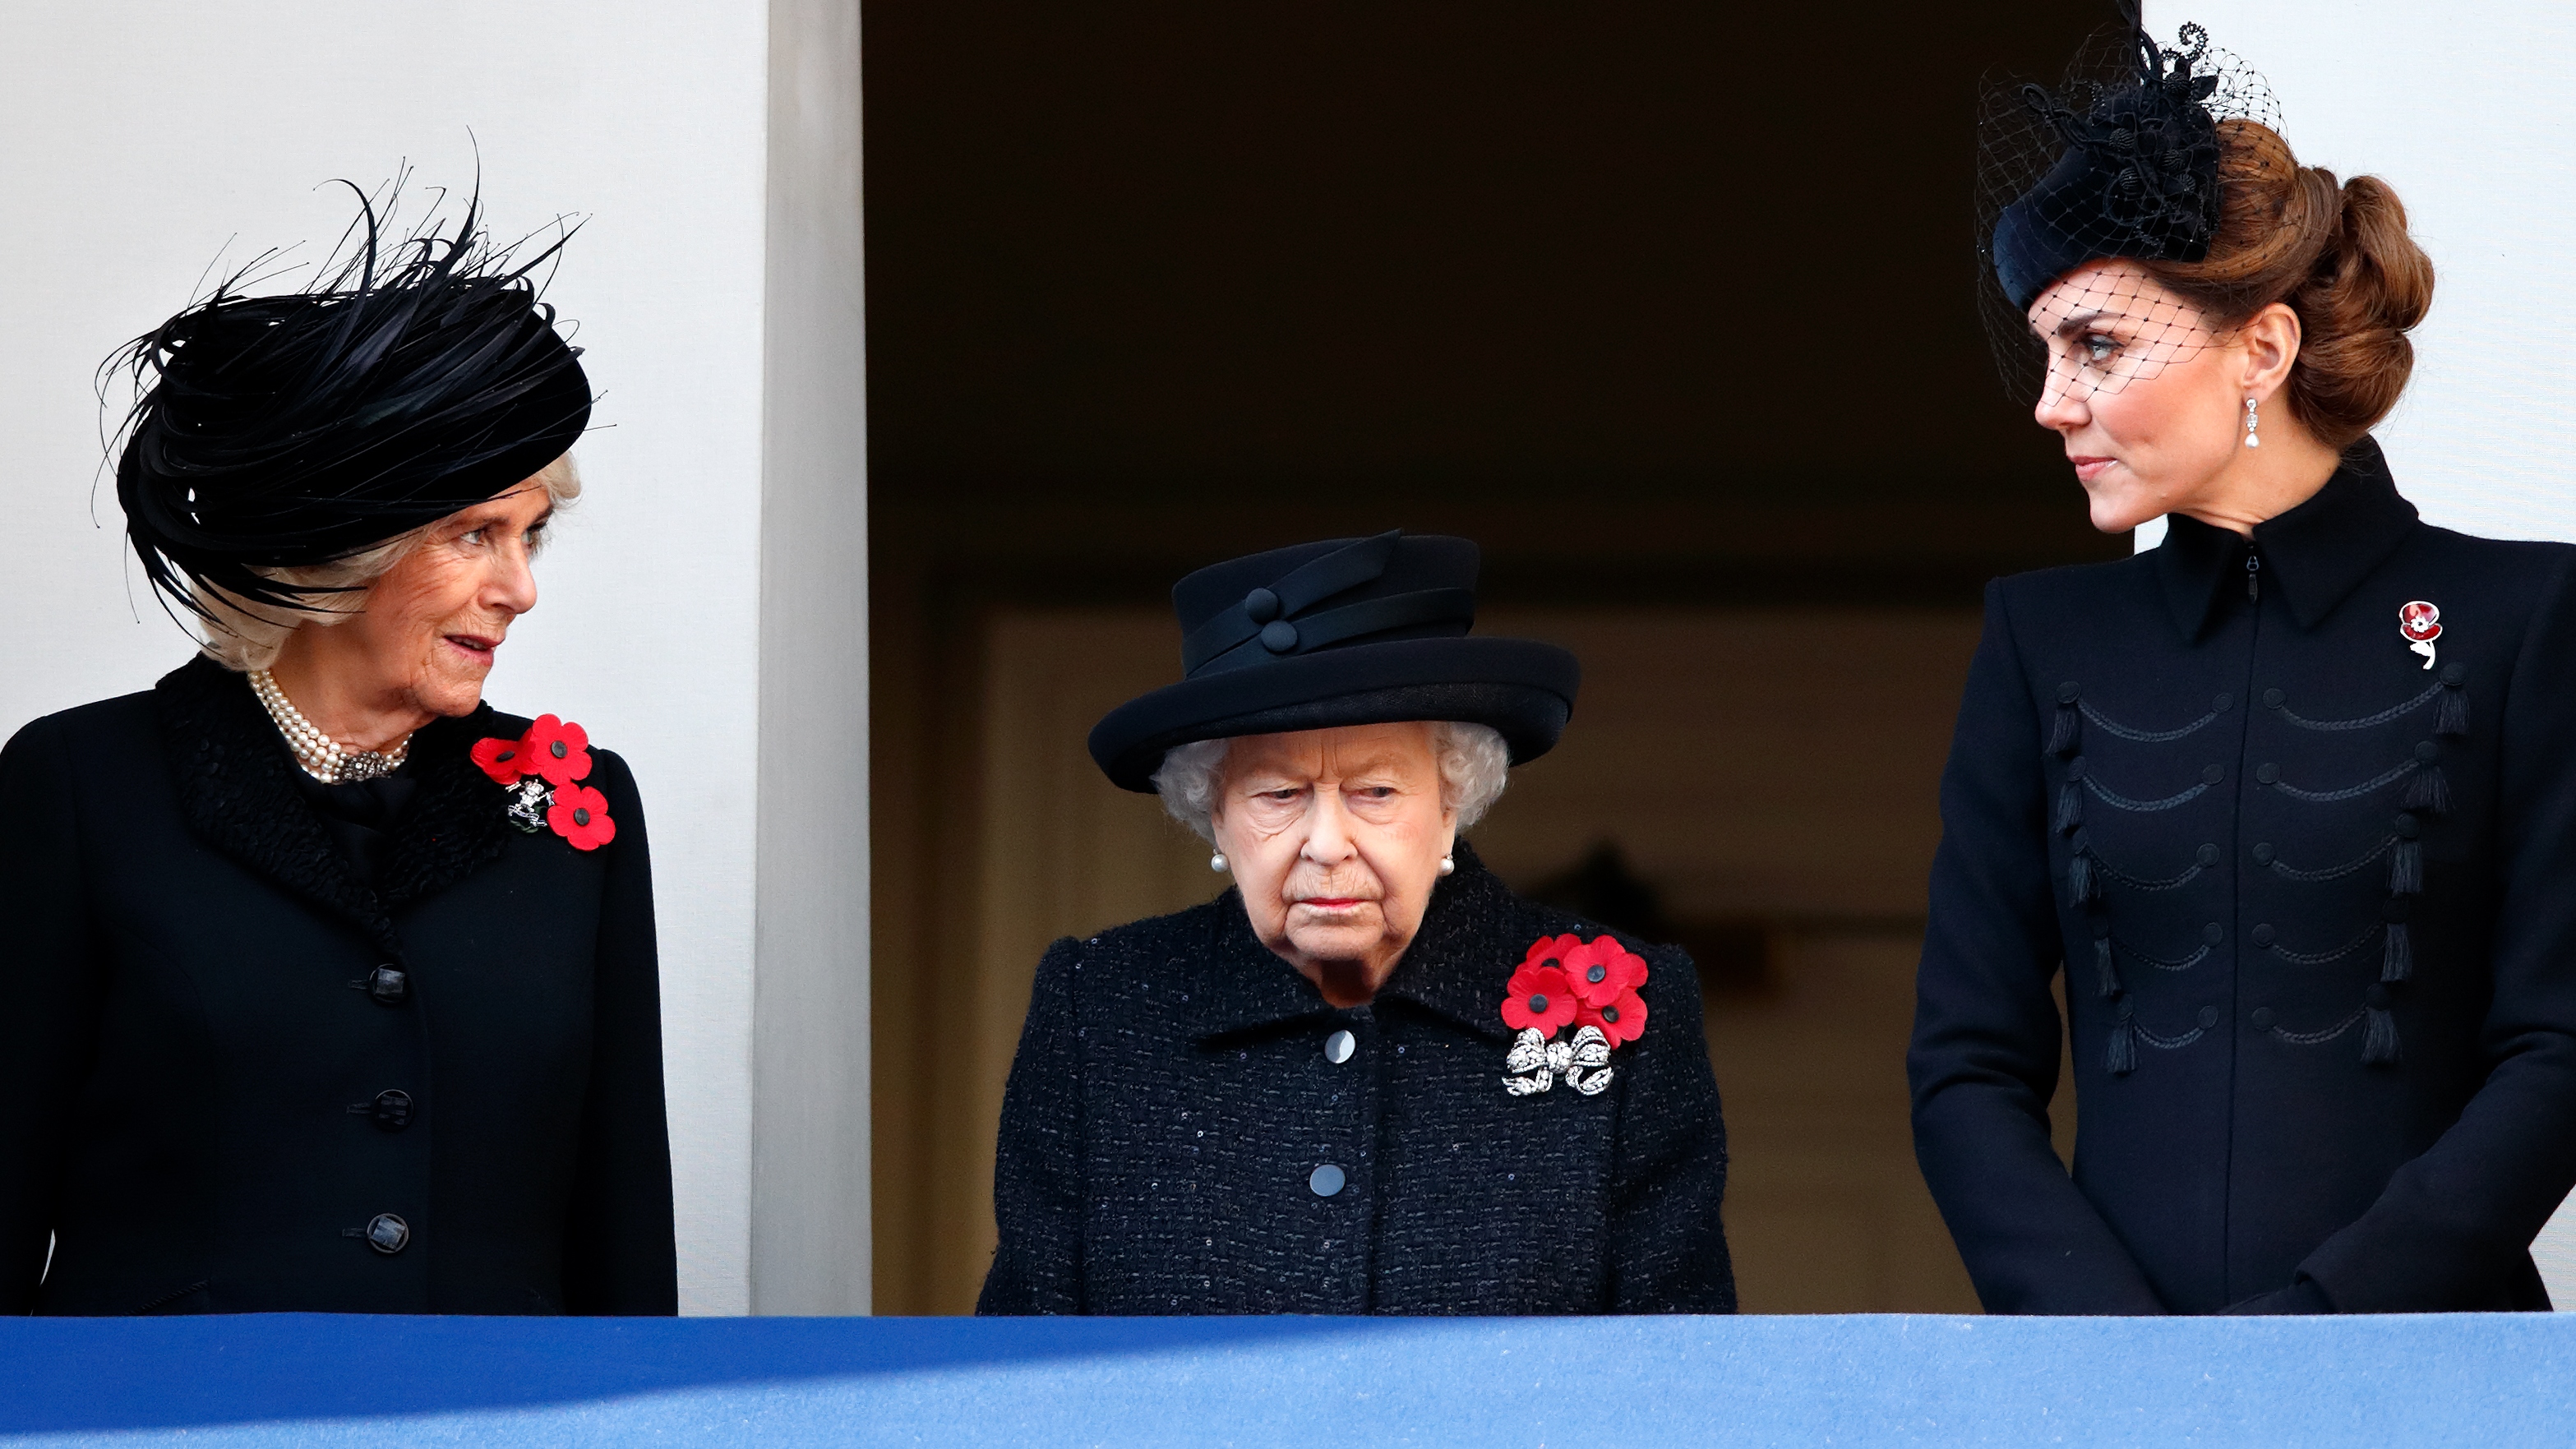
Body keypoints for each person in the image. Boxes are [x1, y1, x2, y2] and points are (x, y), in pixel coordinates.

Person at [1909, 15, 2576, 1315]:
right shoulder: (2040, 639)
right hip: (2109, 1386)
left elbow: (2558, 1044)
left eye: (2096, 345)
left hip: (2423, 1376)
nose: (2049, 400)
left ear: (2260, 349)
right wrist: (2117, 1360)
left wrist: (2320, 1331)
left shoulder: (2523, 613)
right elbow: (1965, 1065)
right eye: (2047, 350)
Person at [0, 189, 676, 1315]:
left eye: (528, 535)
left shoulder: (576, 809)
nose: (520, 586)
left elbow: (621, 1220)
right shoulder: (82, 787)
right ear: (341, 550)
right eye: (475, 534)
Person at [977, 532, 1735, 1313]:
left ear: (1451, 805)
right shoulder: (1099, 1008)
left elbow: (1680, 1381)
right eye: (1279, 794)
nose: (1328, 842)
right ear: (1215, 814)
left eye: (1375, 791)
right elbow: (1021, 1376)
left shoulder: (1633, 1011)